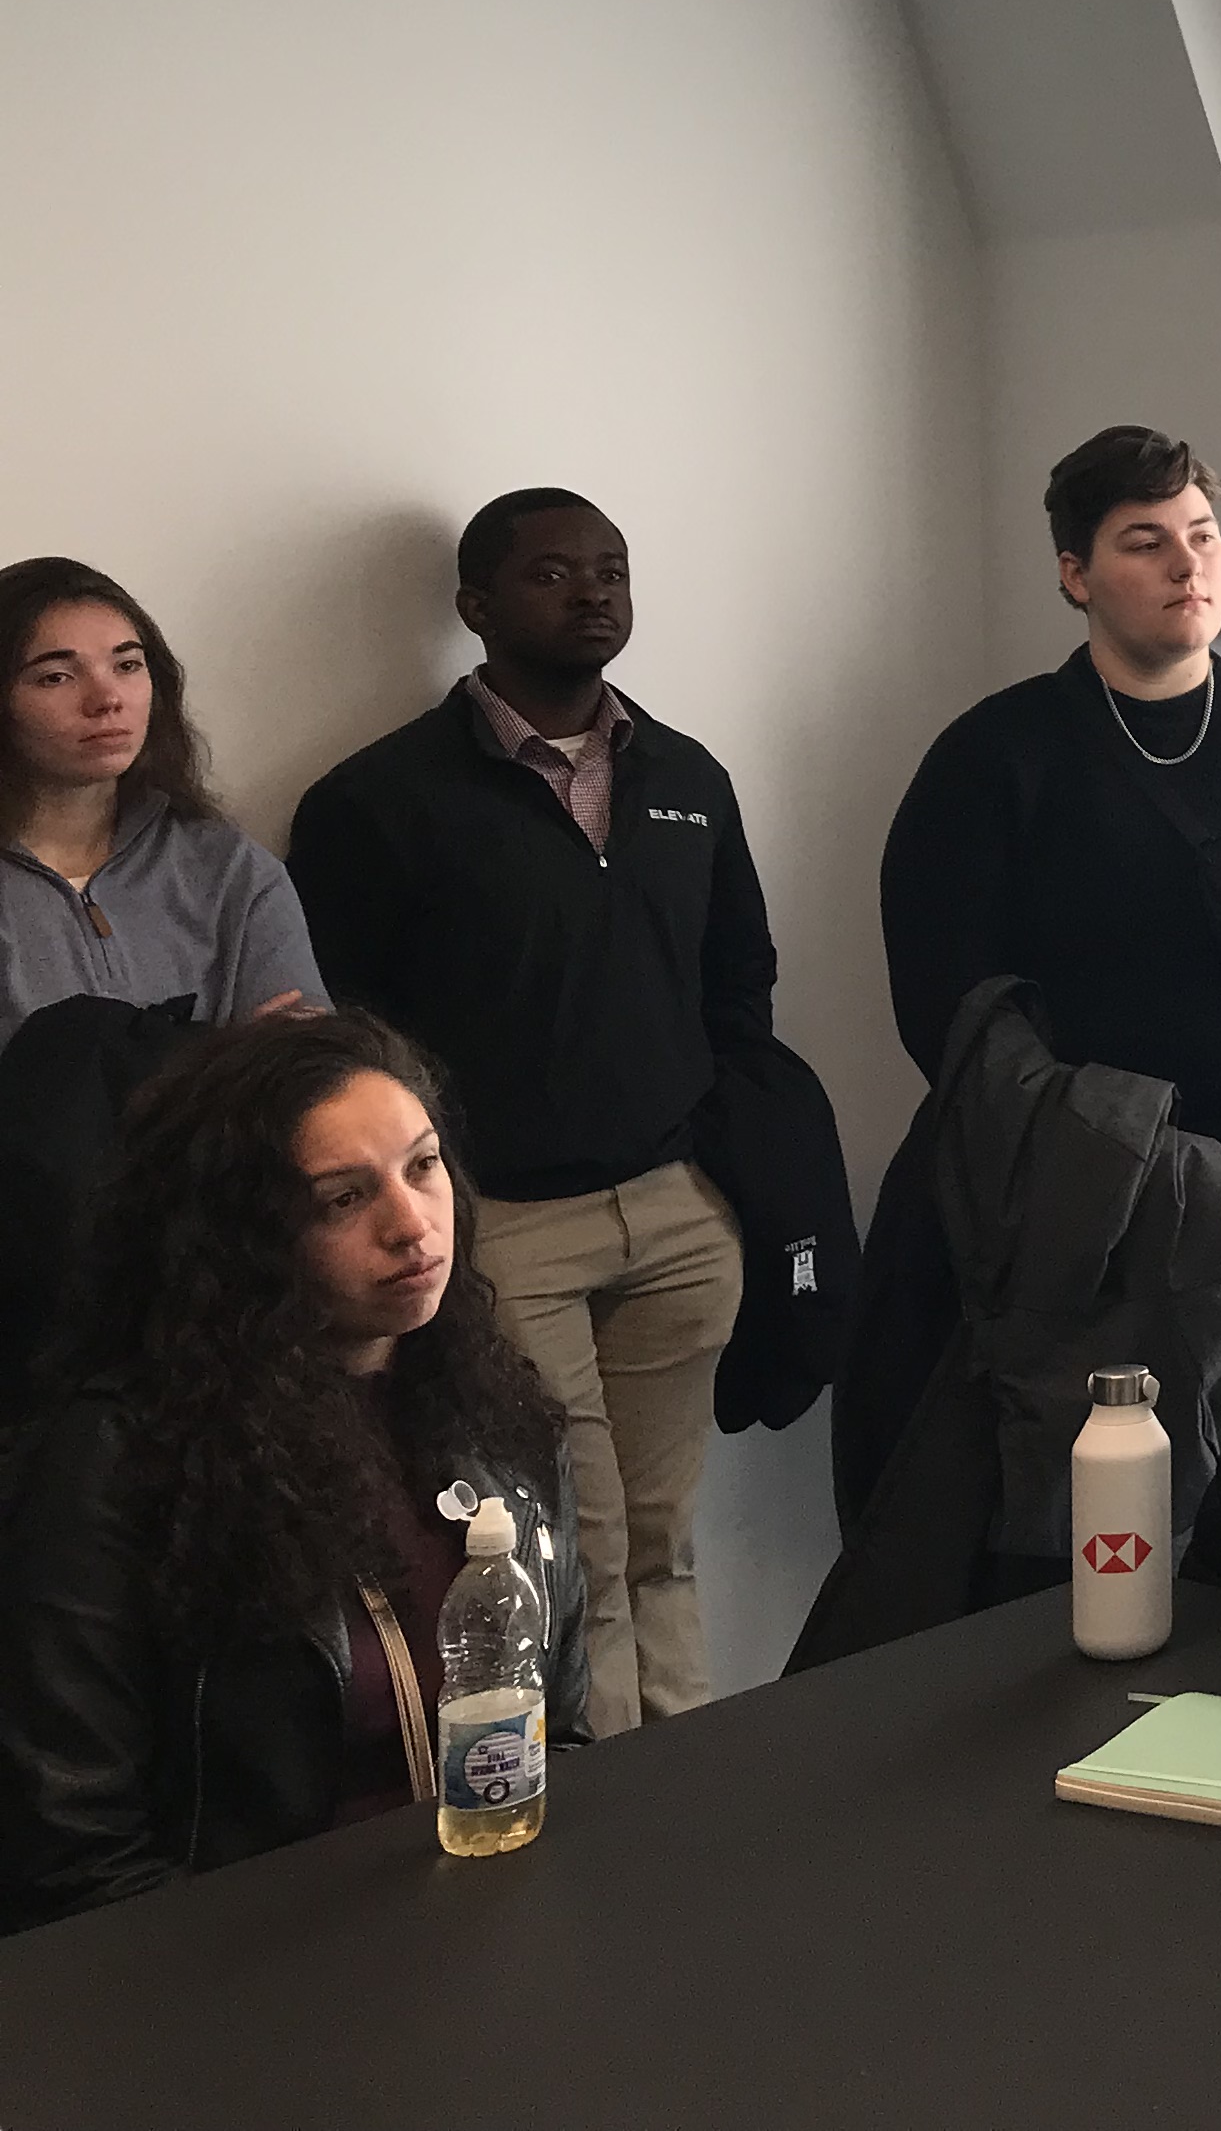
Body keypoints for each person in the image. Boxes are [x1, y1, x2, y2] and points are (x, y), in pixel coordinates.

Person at [289, 490, 759, 1736]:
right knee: (573, 1543)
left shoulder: (685, 776)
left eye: (612, 568)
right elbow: (347, 1042)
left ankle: (697, 1787)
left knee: (661, 1536)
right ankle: (612, 1805)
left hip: (676, 1213)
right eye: (553, 573)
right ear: (476, 606)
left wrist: (722, 1169)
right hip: (505, 1230)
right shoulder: (377, 800)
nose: (594, 592)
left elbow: (739, 984)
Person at [0, 1012, 587, 1927]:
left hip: (491, 1920)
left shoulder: (497, 1414)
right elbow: (74, 1848)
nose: (411, 1225)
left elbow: (568, 1737)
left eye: (423, 1166)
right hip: (248, 1966)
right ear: (240, 1239)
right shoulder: (118, 1457)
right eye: (343, 1200)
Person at [880, 427, 1221, 1364]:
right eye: (1146, 542)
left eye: (1203, 535)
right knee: (1098, 1451)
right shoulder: (991, 758)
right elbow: (951, 1007)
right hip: (1075, 1209)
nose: (1188, 564)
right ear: (1076, 575)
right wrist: (1099, 1163)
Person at [0, 557, 316, 1053]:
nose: (107, 699)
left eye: (127, 666)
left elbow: (303, 1071)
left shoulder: (229, 868)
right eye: (56, 677)